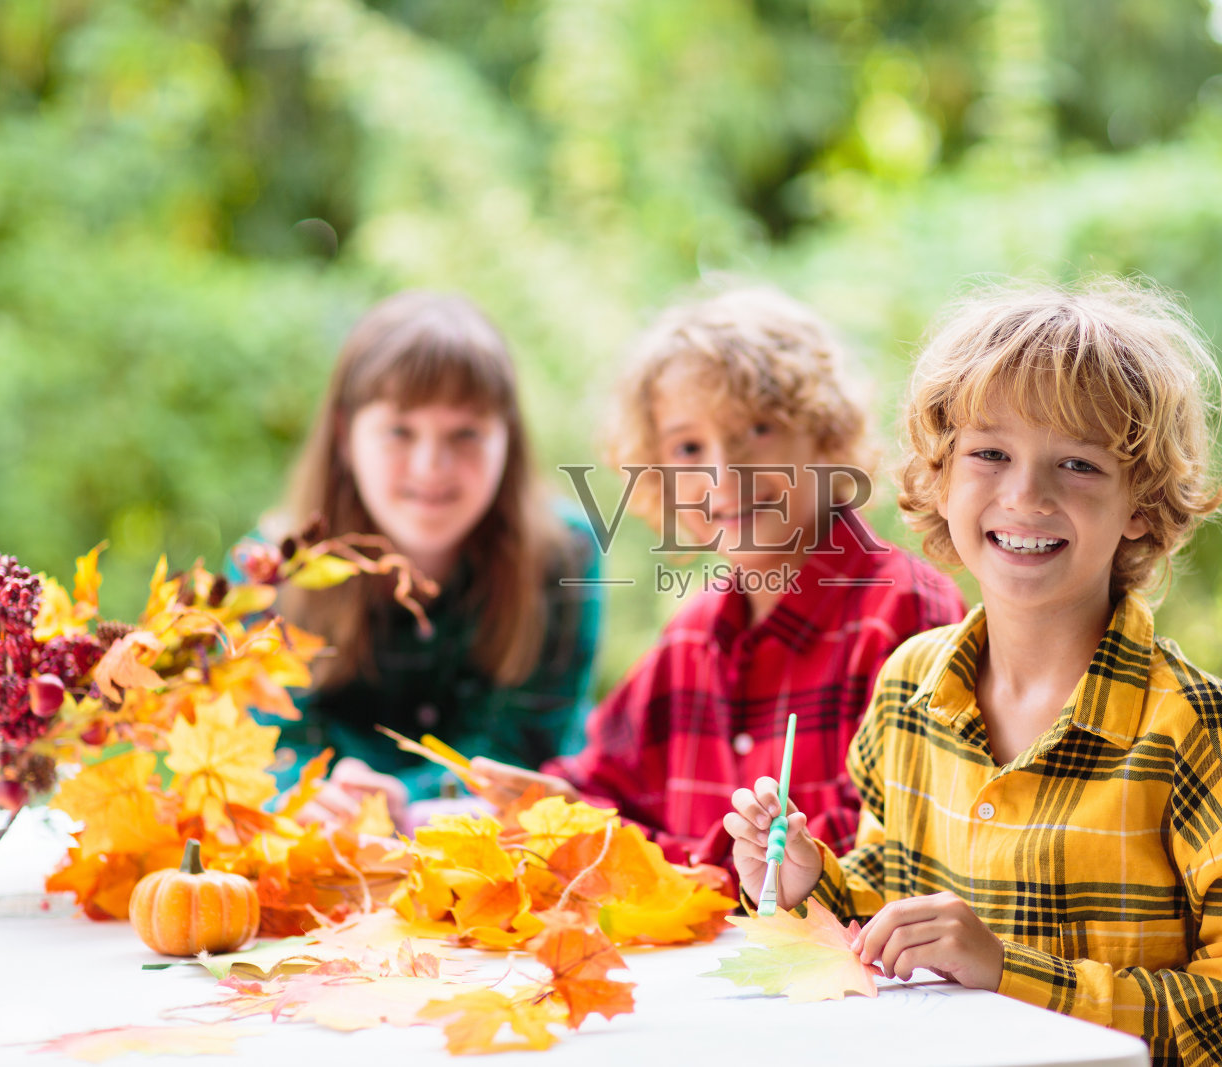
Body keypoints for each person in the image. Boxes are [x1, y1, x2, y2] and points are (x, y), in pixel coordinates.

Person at [725, 280, 1222, 1062]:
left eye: (1078, 464)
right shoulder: (908, 689)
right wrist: (804, 884)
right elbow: (887, 908)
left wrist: (1011, 971)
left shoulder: (1197, 730)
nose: (1027, 493)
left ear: (1140, 503)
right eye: (990, 454)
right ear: (941, 479)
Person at [468, 286, 964, 868]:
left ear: (827, 436)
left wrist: (662, 862)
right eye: (687, 447)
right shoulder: (691, 638)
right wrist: (544, 807)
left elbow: (883, 853)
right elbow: (598, 786)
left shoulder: (905, 613)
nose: (724, 475)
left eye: (757, 429)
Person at [235, 290, 603, 831]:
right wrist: (310, 795)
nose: (431, 466)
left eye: (466, 433)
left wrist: (402, 803)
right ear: (345, 435)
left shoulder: (564, 556)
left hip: (507, 853)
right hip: (322, 855)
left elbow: (527, 745)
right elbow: (269, 752)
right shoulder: (267, 575)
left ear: (508, 438)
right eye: (399, 432)